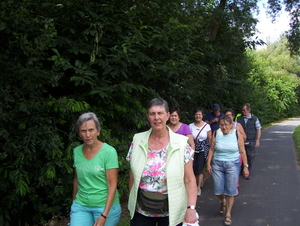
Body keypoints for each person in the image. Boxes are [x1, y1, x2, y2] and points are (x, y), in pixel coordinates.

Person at [126, 98, 198, 226]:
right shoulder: (137, 140)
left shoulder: (181, 143)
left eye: (160, 113)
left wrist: (190, 208)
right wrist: (132, 200)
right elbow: (132, 174)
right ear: (148, 116)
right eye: (152, 113)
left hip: (171, 212)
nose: (156, 117)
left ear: (168, 116)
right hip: (141, 212)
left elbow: (190, 179)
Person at [70, 112, 122, 226]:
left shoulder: (109, 152)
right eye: (83, 131)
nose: (88, 135)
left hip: (104, 206)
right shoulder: (77, 151)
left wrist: (104, 215)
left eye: (91, 130)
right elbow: (77, 179)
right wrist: (74, 202)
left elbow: (112, 185)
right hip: (81, 205)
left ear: (98, 131)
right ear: (79, 133)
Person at [206, 115, 249, 226]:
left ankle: (228, 213)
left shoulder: (236, 134)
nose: (223, 127)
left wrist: (245, 166)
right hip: (217, 164)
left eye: (226, 125)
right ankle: (222, 201)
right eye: (221, 125)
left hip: (233, 164)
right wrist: (208, 164)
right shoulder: (216, 133)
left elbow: (242, 151)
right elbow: (211, 149)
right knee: (217, 190)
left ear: (231, 125)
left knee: (230, 190)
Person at [189, 107, 211, 196]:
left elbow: (210, 139)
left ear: (202, 116)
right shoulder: (190, 126)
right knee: (193, 168)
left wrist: (210, 152)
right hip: (193, 149)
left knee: (200, 168)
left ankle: (198, 187)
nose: (198, 116)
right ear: (194, 115)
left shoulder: (207, 126)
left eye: (199, 114)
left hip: (203, 150)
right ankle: (194, 184)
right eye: (196, 114)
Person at [237, 103, 262, 180]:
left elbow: (258, 129)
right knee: (240, 156)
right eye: (242, 110)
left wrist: (257, 140)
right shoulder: (239, 119)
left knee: (250, 156)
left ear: (248, 110)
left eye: (244, 110)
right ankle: (241, 170)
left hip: (251, 140)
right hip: (241, 141)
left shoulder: (254, 119)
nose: (243, 111)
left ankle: (248, 172)